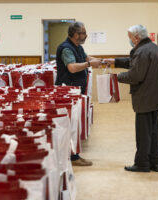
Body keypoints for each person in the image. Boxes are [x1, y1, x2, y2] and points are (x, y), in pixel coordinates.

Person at [103, 25, 158, 172]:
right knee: (152, 132)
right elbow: (135, 63)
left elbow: (136, 75)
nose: (129, 40)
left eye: (130, 38)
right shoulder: (152, 48)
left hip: (145, 98)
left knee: (143, 133)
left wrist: (115, 78)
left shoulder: (142, 52)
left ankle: (142, 164)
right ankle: (154, 163)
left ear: (136, 38)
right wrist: (115, 61)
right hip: (154, 97)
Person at [55, 21, 101, 166]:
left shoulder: (77, 47)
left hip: (75, 91)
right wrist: (89, 65)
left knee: (74, 124)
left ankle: (74, 154)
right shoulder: (66, 48)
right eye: (84, 33)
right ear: (76, 35)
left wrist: (99, 61)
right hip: (67, 93)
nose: (86, 35)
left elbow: (87, 58)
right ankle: (72, 157)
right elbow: (72, 68)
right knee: (69, 124)